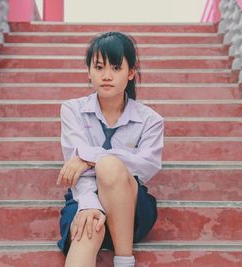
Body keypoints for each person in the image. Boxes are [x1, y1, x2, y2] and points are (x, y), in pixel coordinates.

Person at [56, 31, 164, 267]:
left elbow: (147, 166)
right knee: (88, 227)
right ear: (89, 71)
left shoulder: (150, 120)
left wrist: (89, 158)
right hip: (84, 195)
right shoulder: (72, 110)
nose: (106, 76)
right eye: (99, 67)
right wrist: (89, 203)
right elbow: (76, 171)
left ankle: (124, 260)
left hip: (132, 209)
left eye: (116, 68)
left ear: (131, 72)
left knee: (109, 166)